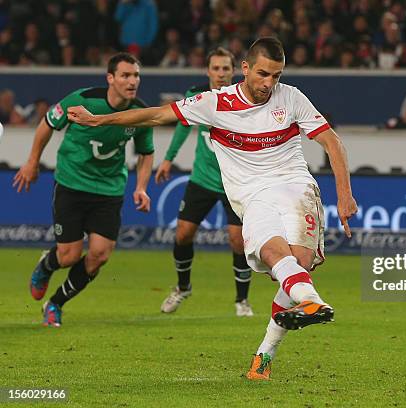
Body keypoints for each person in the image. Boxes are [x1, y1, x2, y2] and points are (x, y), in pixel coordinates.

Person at [67, 37, 358, 381]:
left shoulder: (291, 97)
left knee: (298, 264)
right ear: (245, 69)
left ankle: (270, 348)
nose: (269, 84)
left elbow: (331, 141)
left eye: (276, 76)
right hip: (254, 197)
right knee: (276, 258)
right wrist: (100, 121)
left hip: (295, 186)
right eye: (263, 74)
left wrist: (345, 195)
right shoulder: (215, 103)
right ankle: (308, 304)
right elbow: (158, 114)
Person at [13, 53, 154, 327]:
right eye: (125, 75)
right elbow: (47, 124)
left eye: (136, 75)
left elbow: (146, 153)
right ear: (110, 78)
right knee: (67, 256)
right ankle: (46, 266)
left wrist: (141, 187)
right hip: (72, 184)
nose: (132, 80)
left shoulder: (139, 112)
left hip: (110, 189)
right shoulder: (83, 99)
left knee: (100, 254)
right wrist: (32, 162)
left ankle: (55, 304)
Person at [156, 47, 254, 317]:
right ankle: (182, 287)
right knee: (183, 234)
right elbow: (181, 125)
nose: (221, 74)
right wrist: (167, 159)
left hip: (234, 182)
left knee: (238, 241)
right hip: (202, 179)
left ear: (234, 71)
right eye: (216, 68)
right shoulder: (196, 97)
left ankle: (241, 301)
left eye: (226, 69)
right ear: (208, 71)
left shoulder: (243, 99)